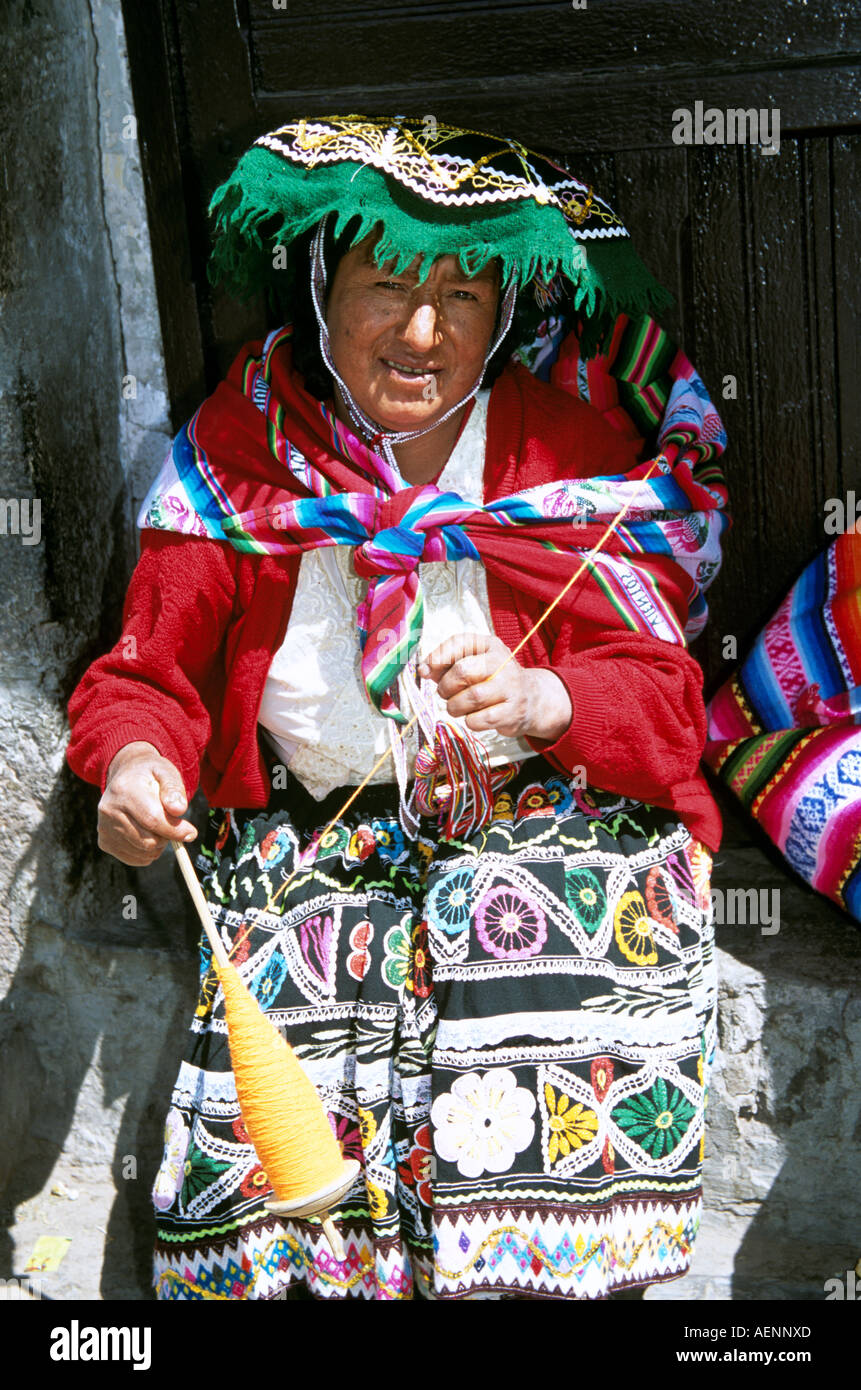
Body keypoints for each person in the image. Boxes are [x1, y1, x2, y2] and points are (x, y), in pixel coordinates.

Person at [66, 116, 729, 1301]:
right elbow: (143, 678)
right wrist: (132, 766)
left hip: (543, 824)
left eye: (462, 297)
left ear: (504, 317)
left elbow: (669, 706)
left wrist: (547, 695)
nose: (421, 333)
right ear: (325, 291)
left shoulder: (562, 454)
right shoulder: (241, 454)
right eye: (385, 288)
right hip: (322, 844)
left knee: (513, 916)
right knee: (287, 1136)